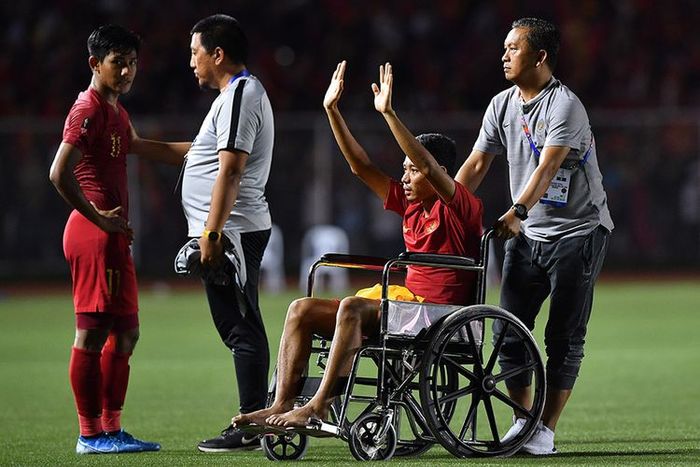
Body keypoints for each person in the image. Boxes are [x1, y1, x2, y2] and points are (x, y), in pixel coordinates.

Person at [232, 61, 483, 429]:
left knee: (352, 306)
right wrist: (332, 111)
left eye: (411, 169)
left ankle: (318, 406)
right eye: (404, 169)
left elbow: (428, 167)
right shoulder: (410, 202)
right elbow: (361, 167)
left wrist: (389, 114)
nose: (406, 176)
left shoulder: (462, 205)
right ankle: (282, 403)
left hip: (440, 315)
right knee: (300, 309)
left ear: (442, 173)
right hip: (405, 307)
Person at [456, 18, 614, 455]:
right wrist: (445, 207)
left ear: (540, 57)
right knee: (509, 333)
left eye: (513, 48)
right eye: (504, 47)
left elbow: (547, 167)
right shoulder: (500, 104)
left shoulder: (566, 106)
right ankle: (522, 423)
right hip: (528, 235)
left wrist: (517, 212)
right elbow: (476, 163)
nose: (503, 55)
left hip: (578, 232)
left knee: (563, 336)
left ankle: (545, 430)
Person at [49, 24, 188, 454]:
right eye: (118, 63)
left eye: (132, 63)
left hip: (113, 234)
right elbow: (58, 173)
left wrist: (207, 150)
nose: (127, 71)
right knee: (92, 334)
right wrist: (98, 218)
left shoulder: (116, 111)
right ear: (95, 64)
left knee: (127, 334)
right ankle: (89, 435)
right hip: (94, 233)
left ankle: (111, 429)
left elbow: (144, 148)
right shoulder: (87, 109)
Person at [180, 14, 275, 452]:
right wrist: (142, 147)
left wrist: (213, 234)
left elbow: (231, 169)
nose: (192, 61)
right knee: (240, 325)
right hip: (230, 229)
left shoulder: (240, 94)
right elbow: (203, 155)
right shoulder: (233, 96)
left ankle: (252, 423)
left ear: (218, 54)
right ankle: (257, 416)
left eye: (196, 52)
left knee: (240, 327)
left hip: (231, 231)